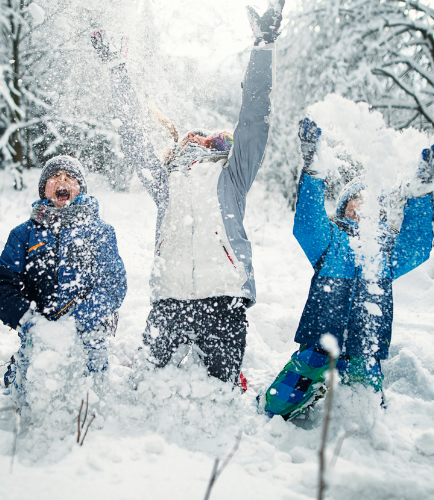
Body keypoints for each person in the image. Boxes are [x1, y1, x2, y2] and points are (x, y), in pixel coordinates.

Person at [90, 1, 285, 385]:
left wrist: (262, 48)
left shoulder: (232, 174)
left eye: (204, 134)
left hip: (223, 296)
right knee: (144, 387)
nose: (194, 137)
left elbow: (254, 119)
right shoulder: (165, 183)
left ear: (217, 144)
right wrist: (116, 72)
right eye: (188, 135)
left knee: (219, 394)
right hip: (169, 299)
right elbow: (132, 137)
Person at [262, 118, 434, 419]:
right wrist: (313, 172)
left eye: (370, 201)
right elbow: (307, 225)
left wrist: (420, 193)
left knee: (366, 415)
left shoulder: (387, 249)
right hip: (320, 343)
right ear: (344, 206)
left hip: (365, 348)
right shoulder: (331, 240)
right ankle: (311, 390)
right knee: (275, 406)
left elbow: (417, 246)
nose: (363, 205)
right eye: (356, 200)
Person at [0, 155, 127, 398]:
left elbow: (113, 283)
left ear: (80, 189)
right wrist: (28, 320)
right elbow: (0, 284)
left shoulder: (100, 231)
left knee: (91, 394)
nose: (62, 179)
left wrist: (83, 319)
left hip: (88, 328)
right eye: (54, 176)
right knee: (30, 393)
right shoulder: (24, 234)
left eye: (70, 177)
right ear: (43, 190)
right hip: (38, 330)